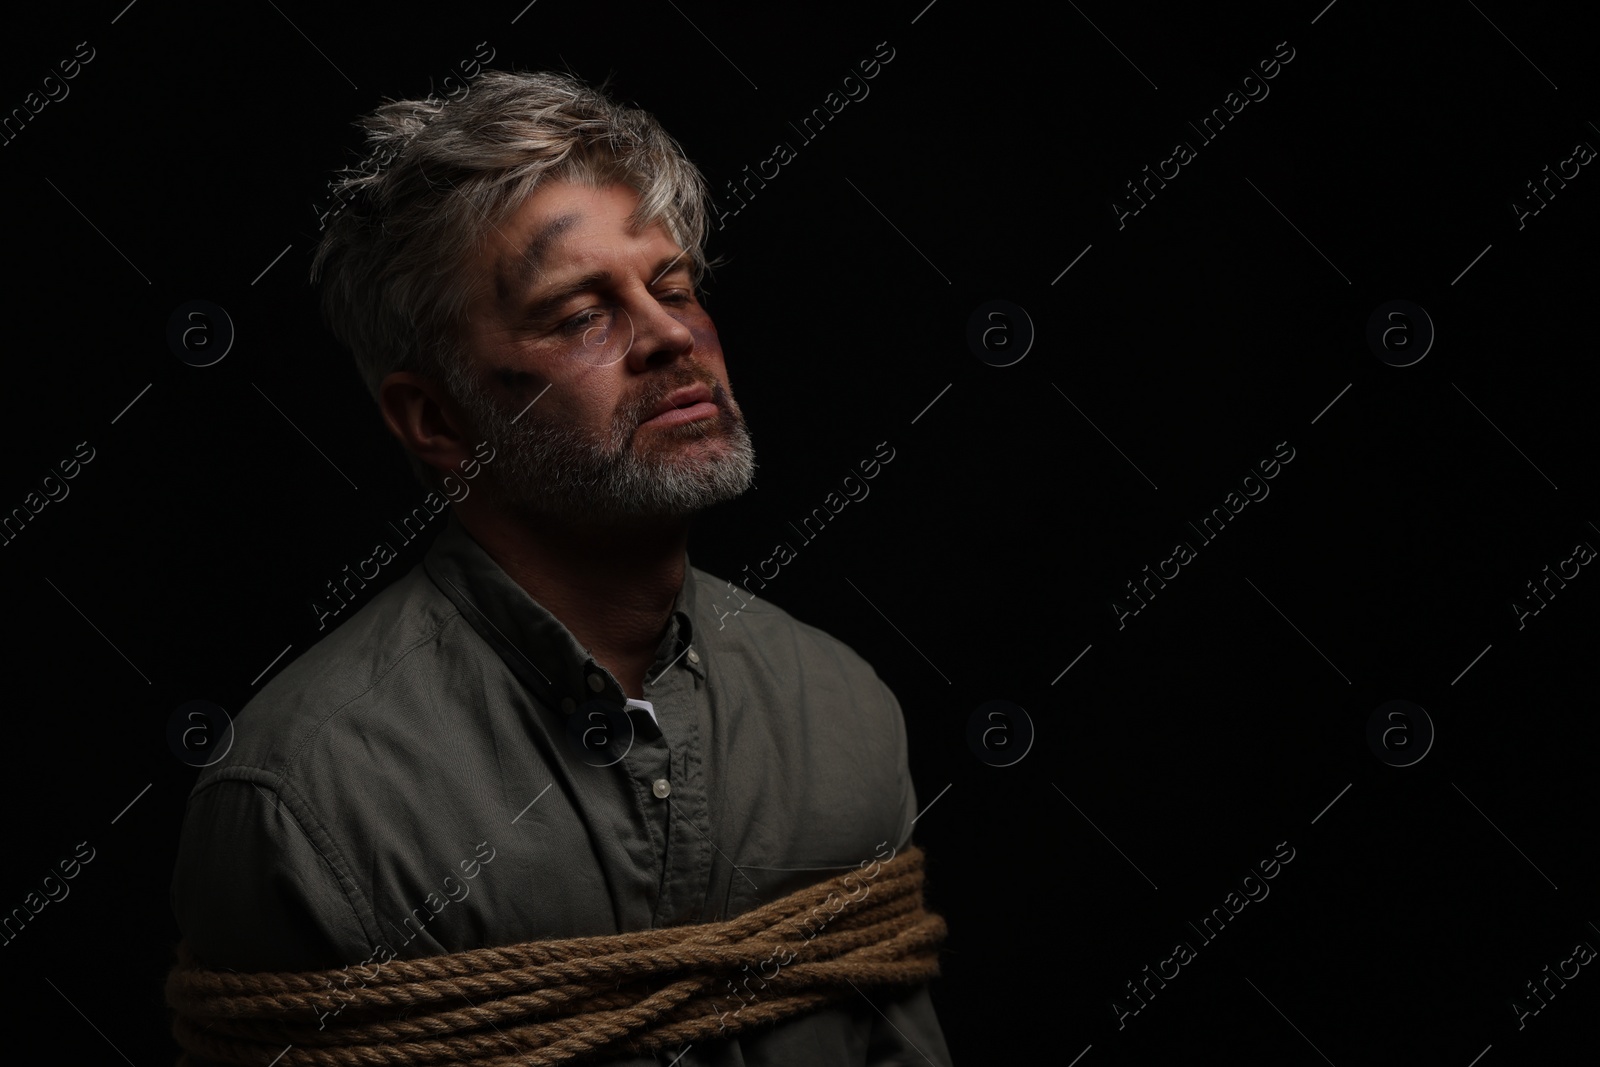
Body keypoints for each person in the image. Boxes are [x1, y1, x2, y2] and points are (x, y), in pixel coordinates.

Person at [168, 69, 952, 1066]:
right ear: (437, 419)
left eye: (671, 286)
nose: (671, 333)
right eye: (580, 312)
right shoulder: (308, 802)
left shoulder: (842, 710)